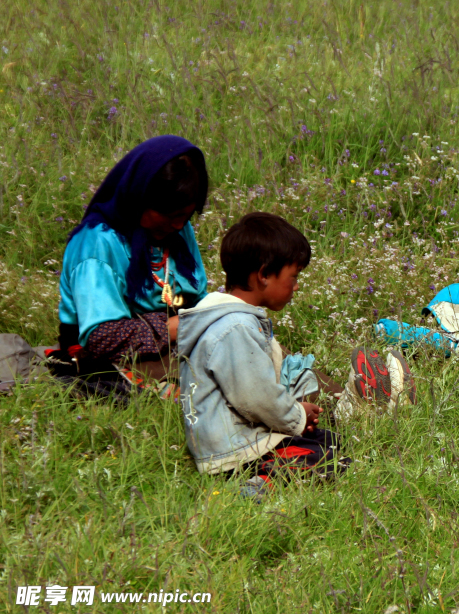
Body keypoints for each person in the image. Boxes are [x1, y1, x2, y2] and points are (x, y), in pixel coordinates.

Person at [176, 212, 414, 492]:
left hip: (231, 442)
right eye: (293, 276)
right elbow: (256, 398)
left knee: (331, 442)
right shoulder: (235, 328)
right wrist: (296, 417)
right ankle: (260, 483)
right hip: (233, 452)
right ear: (264, 274)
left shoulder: (228, 320)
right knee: (328, 458)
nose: (297, 285)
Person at [52, 136, 209, 400]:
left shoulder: (176, 232)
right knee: (205, 394)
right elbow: (102, 339)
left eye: (186, 217)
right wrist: (181, 326)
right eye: (172, 217)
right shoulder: (96, 245)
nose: (180, 226)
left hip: (175, 343)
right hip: (111, 359)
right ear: (139, 199)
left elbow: (197, 299)